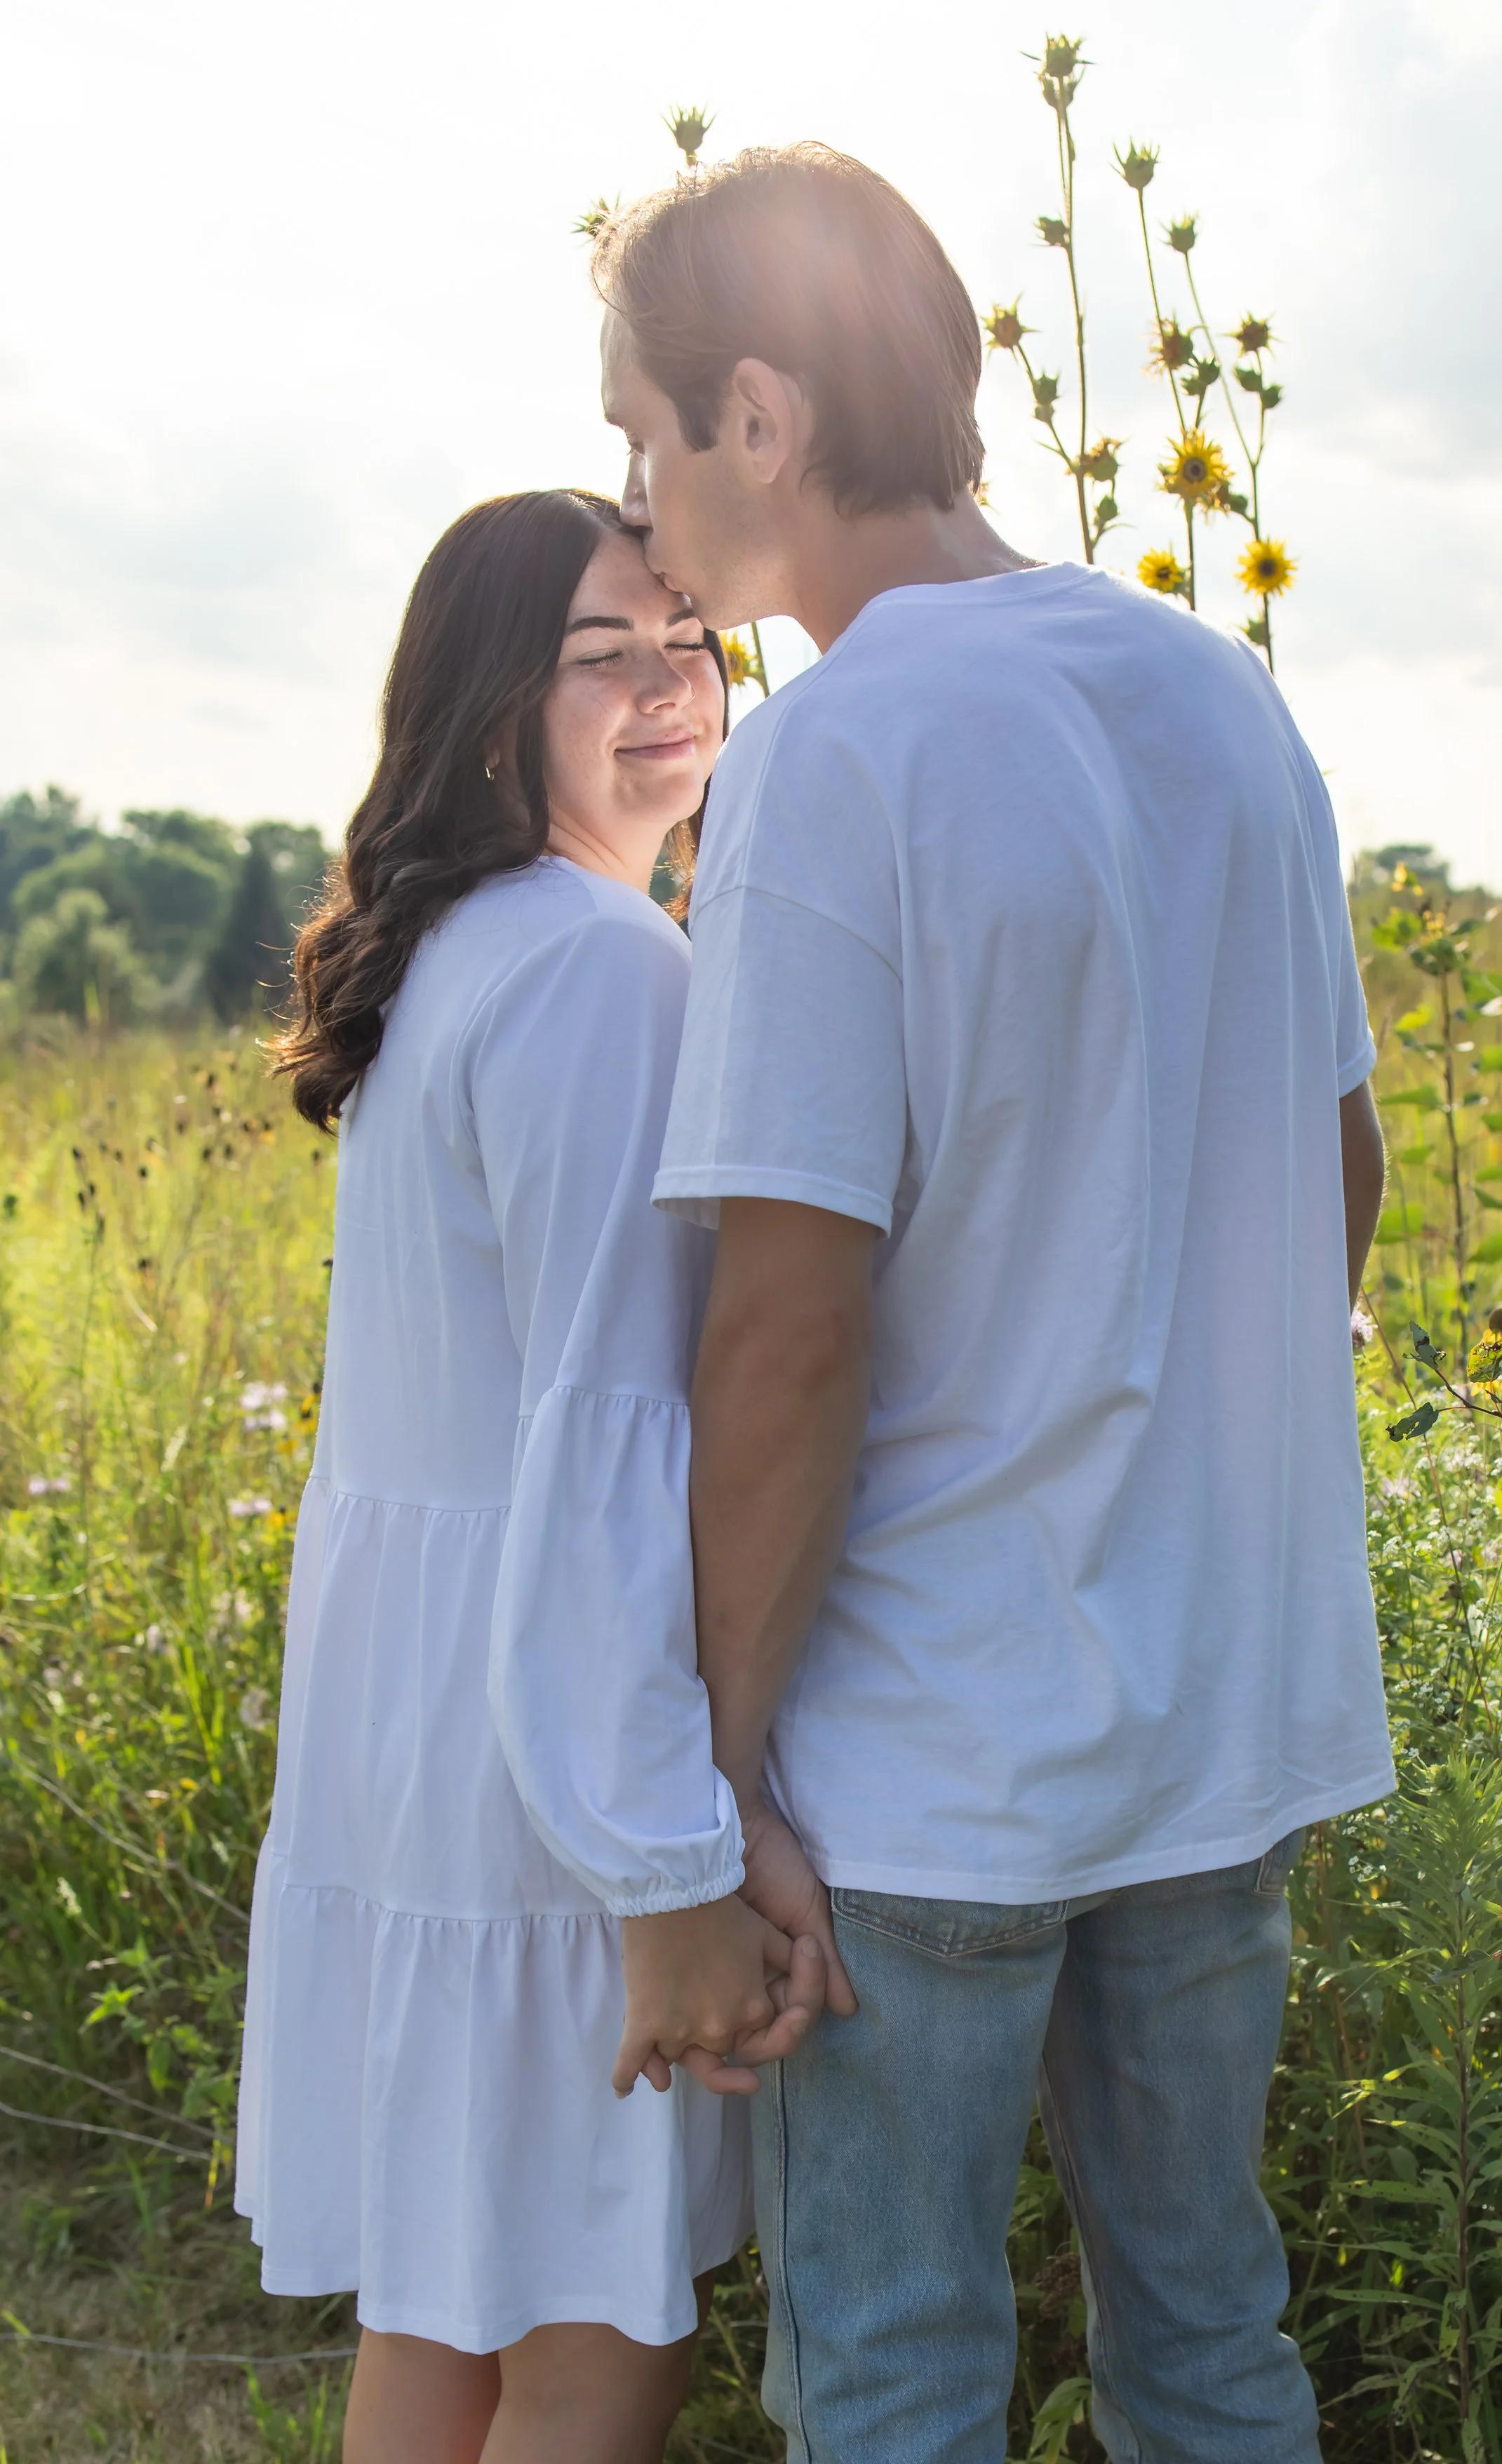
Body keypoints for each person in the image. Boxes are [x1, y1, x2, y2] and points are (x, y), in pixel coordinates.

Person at [592, 147, 1395, 2463]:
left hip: (927, 1754)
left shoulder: (839, 746)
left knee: (898, 2372)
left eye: (644, 434)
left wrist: (720, 1771)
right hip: (1212, 1719)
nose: (638, 508)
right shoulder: (1218, 699)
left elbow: (786, 1329)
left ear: (757, 410)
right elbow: (1333, 1168)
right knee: (1209, 2339)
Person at [237, 488, 826, 2464]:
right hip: (544, 1729)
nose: (672, 688)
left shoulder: (469, 945)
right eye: (607, 653)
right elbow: (604, 1429)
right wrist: (665, 1848)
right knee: (586, 2336)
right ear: (494, 701)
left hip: (432, 1692)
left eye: (693, 642)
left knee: (454, 2303)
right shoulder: (597, 968)